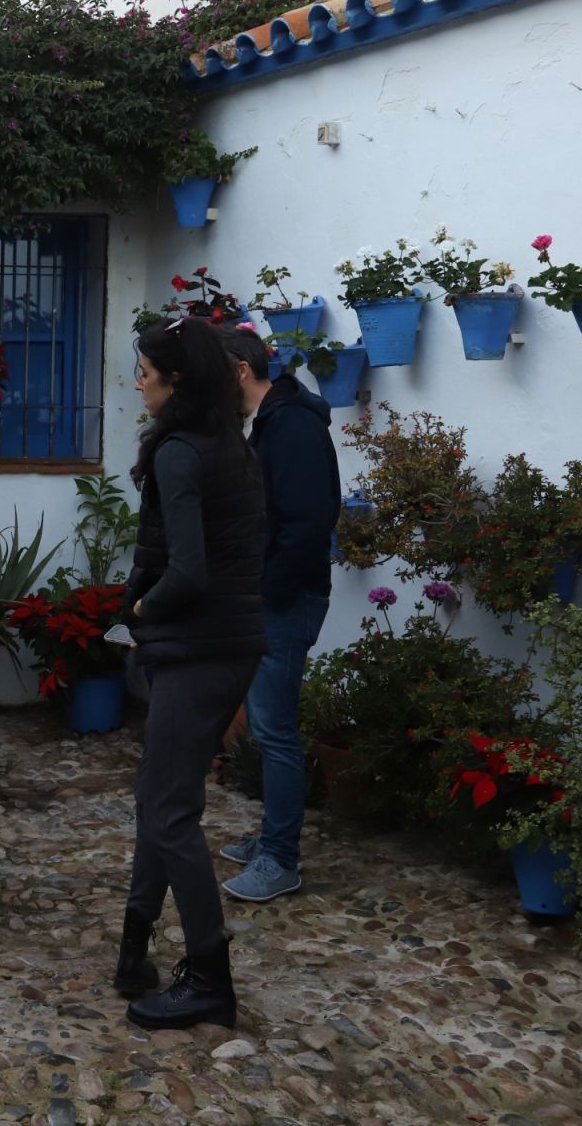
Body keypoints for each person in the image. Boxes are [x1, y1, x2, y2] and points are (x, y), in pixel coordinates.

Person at [113, 317, 266, 1030]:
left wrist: (143, 604)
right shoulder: (230, 447)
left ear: (176, 380)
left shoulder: (180, 452)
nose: (137, 379)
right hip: (228, 648)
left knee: (171, 814)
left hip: (197, 650)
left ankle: (209, 977)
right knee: (158, 797)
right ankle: (134, 948)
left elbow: (188, 570)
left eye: (145, 369)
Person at [213, 326, 341, 903]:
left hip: (285, 601)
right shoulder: (272, 422)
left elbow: (309, 524)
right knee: (267, 729)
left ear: (240, 370)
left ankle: (282, 858)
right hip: (269, 597)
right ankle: (271, 837)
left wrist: (265, 592)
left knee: (275, 730)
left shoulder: (290, 426)